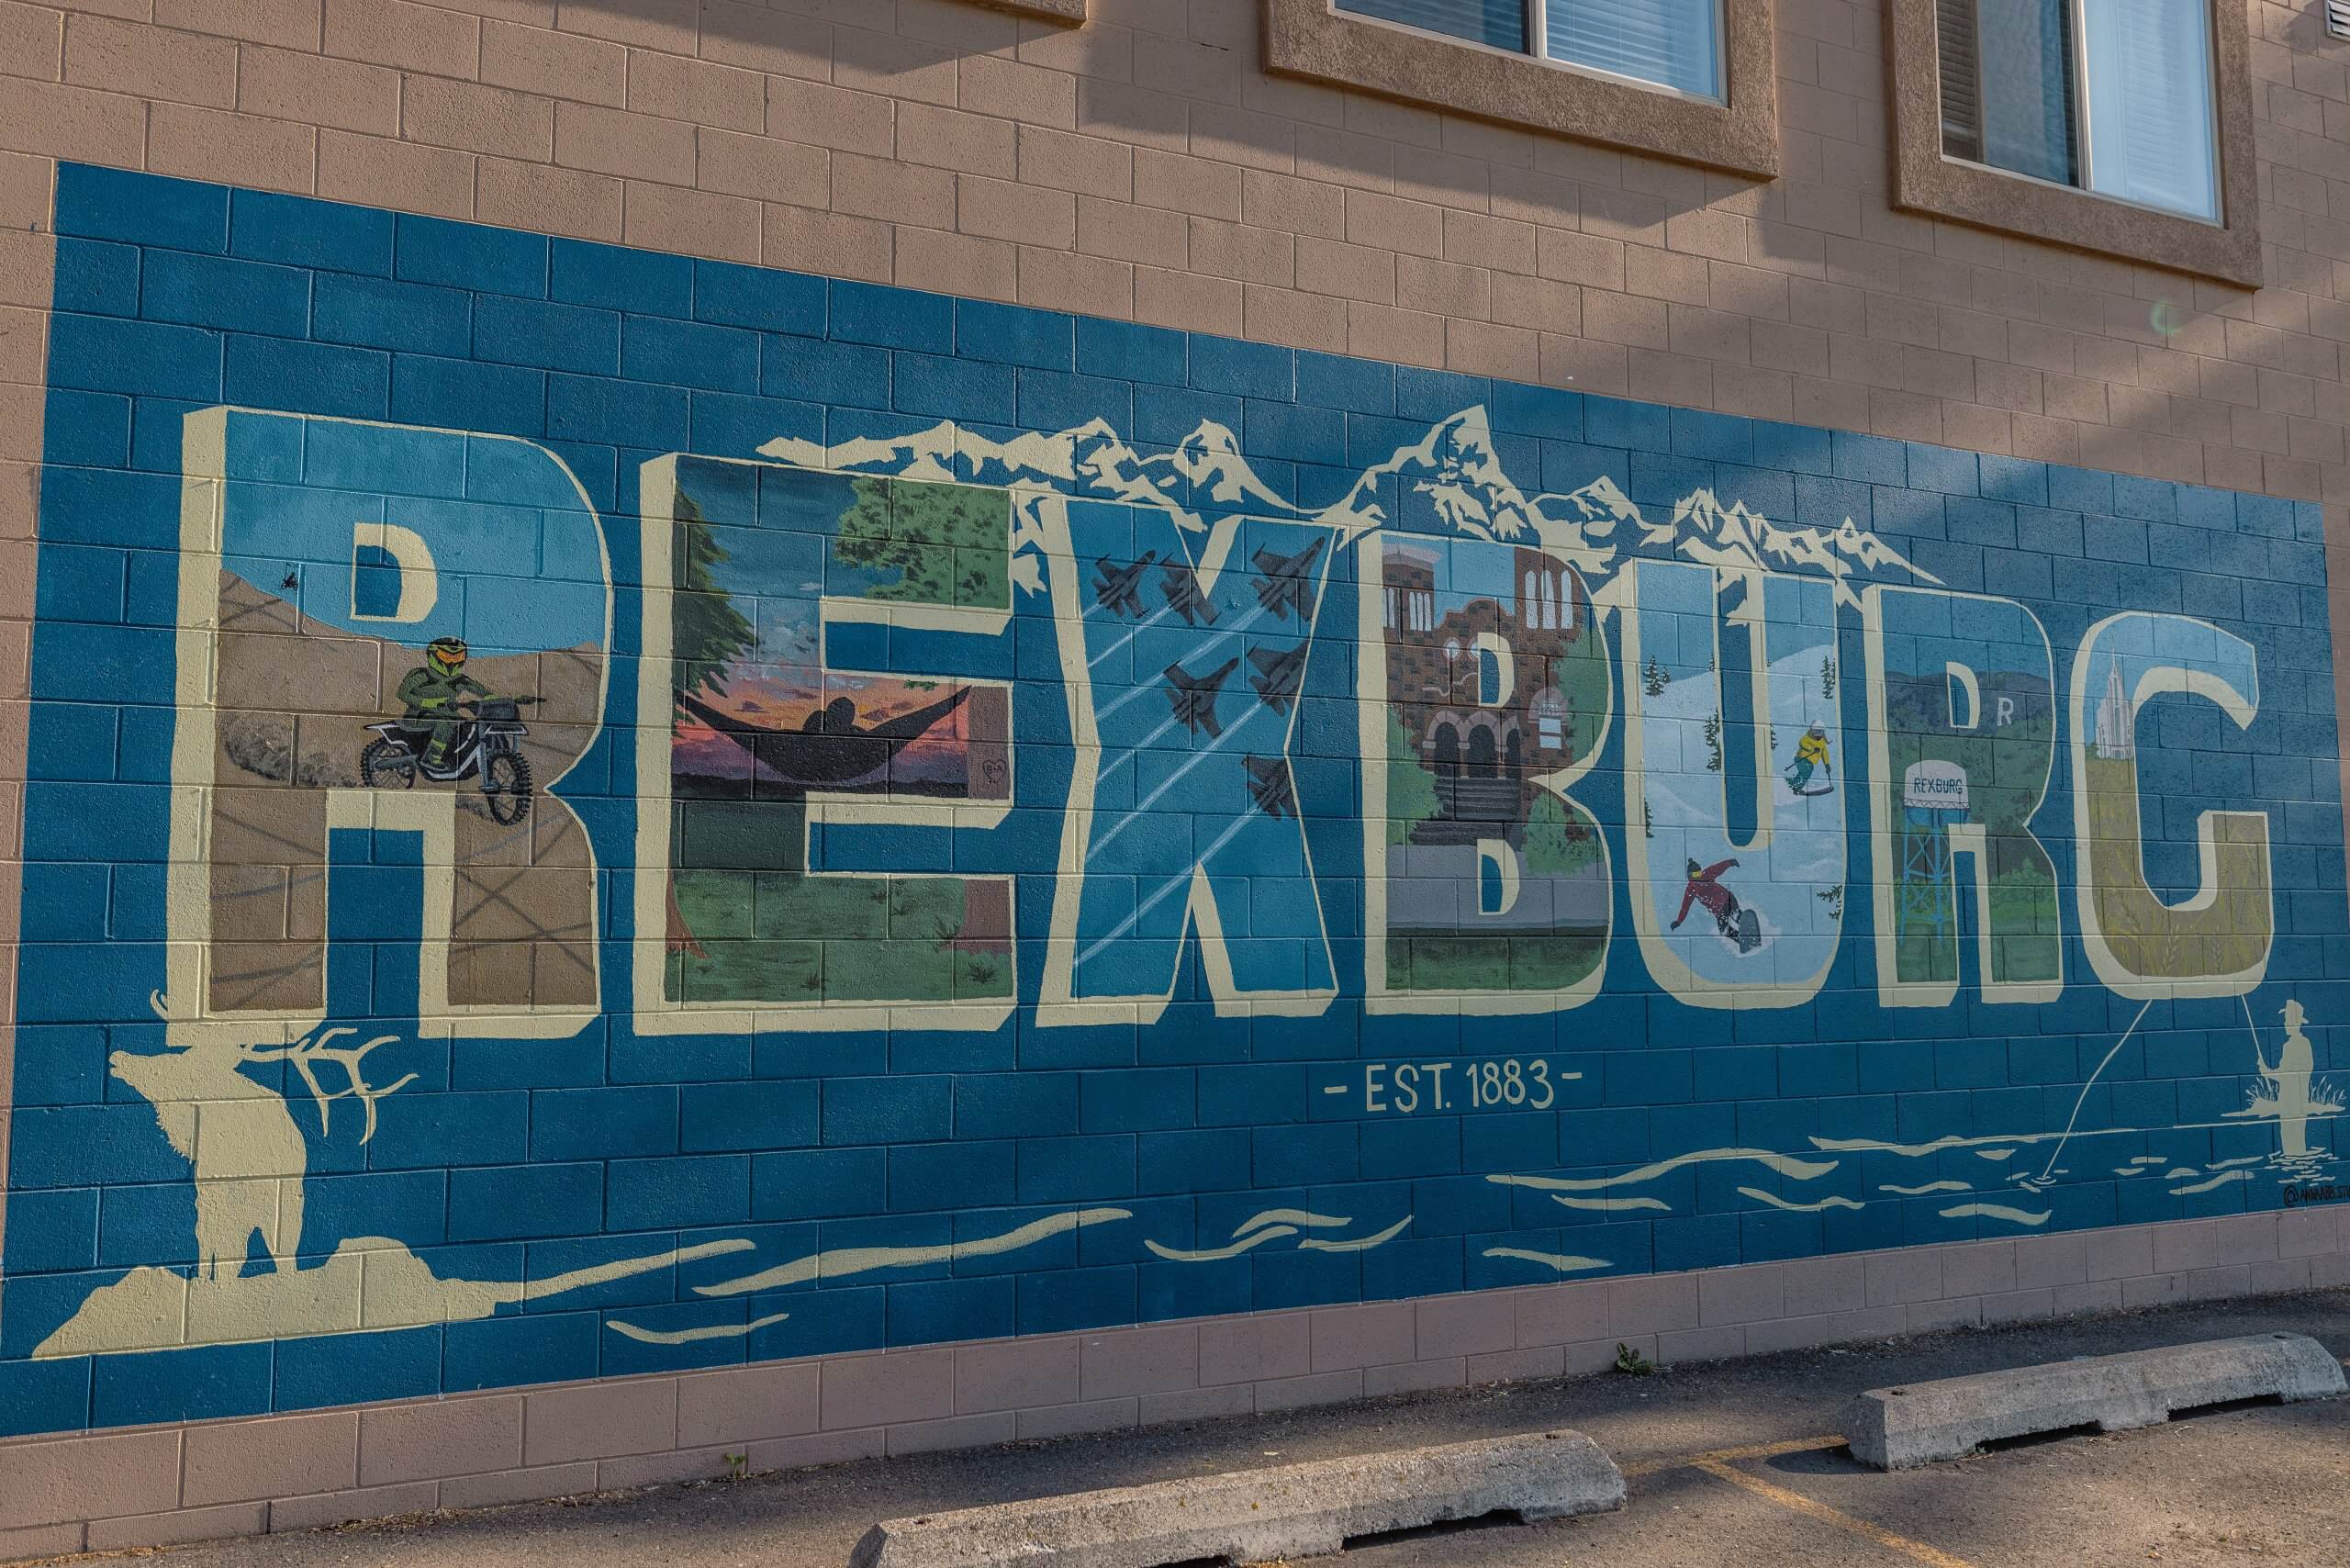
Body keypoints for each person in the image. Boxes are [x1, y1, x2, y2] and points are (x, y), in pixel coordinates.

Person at [395, 637, 490, 769]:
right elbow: (402, 694)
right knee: (444, 724)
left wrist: (501, 699)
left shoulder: (460, 679)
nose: (451, 662)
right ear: (433, 655)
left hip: (448, 715)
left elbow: (481, 691)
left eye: (457, 657)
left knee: (467, 726)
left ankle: (451, 756)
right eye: (446, 656)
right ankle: (430, 758)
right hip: (418, 716)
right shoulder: (421, 675)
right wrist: (428, 702)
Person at [1671, 857, 1743, 940]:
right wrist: (1679, 921)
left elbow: (1718, 868)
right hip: (1719, 910)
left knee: (1735, 916)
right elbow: (1685, 907)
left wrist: (1730, 863)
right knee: (1724, 930)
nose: (1698, 876)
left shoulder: (1706, 874)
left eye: (1699, 873)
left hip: (1727, 900)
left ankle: (1744, 921)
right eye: (1695, 875)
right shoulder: (1690, 890)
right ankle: (1742, 939)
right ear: (1689, 876)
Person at [1785, 723, 1832, 794]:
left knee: (1806, 771)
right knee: (1806, 771)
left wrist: (1827, 764)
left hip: (1809, 761)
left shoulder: (1822, 741)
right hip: (1801, 758)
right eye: (1816, 732)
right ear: (1812, 731)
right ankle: (1797, 788)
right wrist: (1812, 749)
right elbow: (1802, 743)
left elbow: (1824, 752)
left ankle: (1794, 784)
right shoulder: (1807, 737)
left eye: (1820, 732)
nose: (1818, 735)